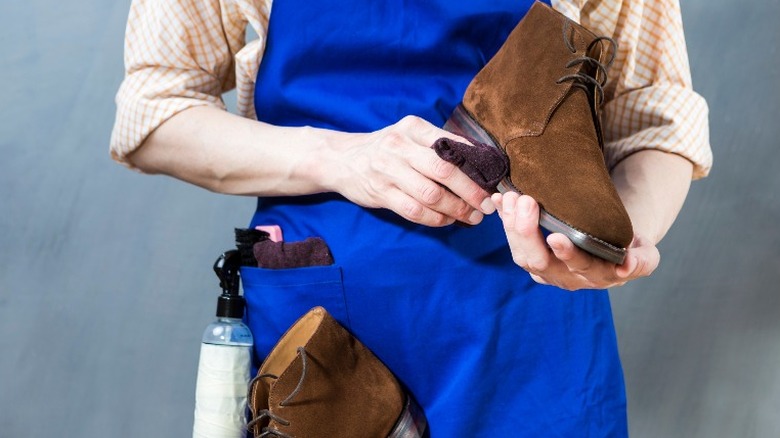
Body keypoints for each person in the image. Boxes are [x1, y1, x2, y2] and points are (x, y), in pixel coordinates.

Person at [110, 0, 712, 435]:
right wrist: (339, 156)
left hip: (535, 335)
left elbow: (654, 113)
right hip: (329, 333)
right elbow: (153, 111)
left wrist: (627, 235)